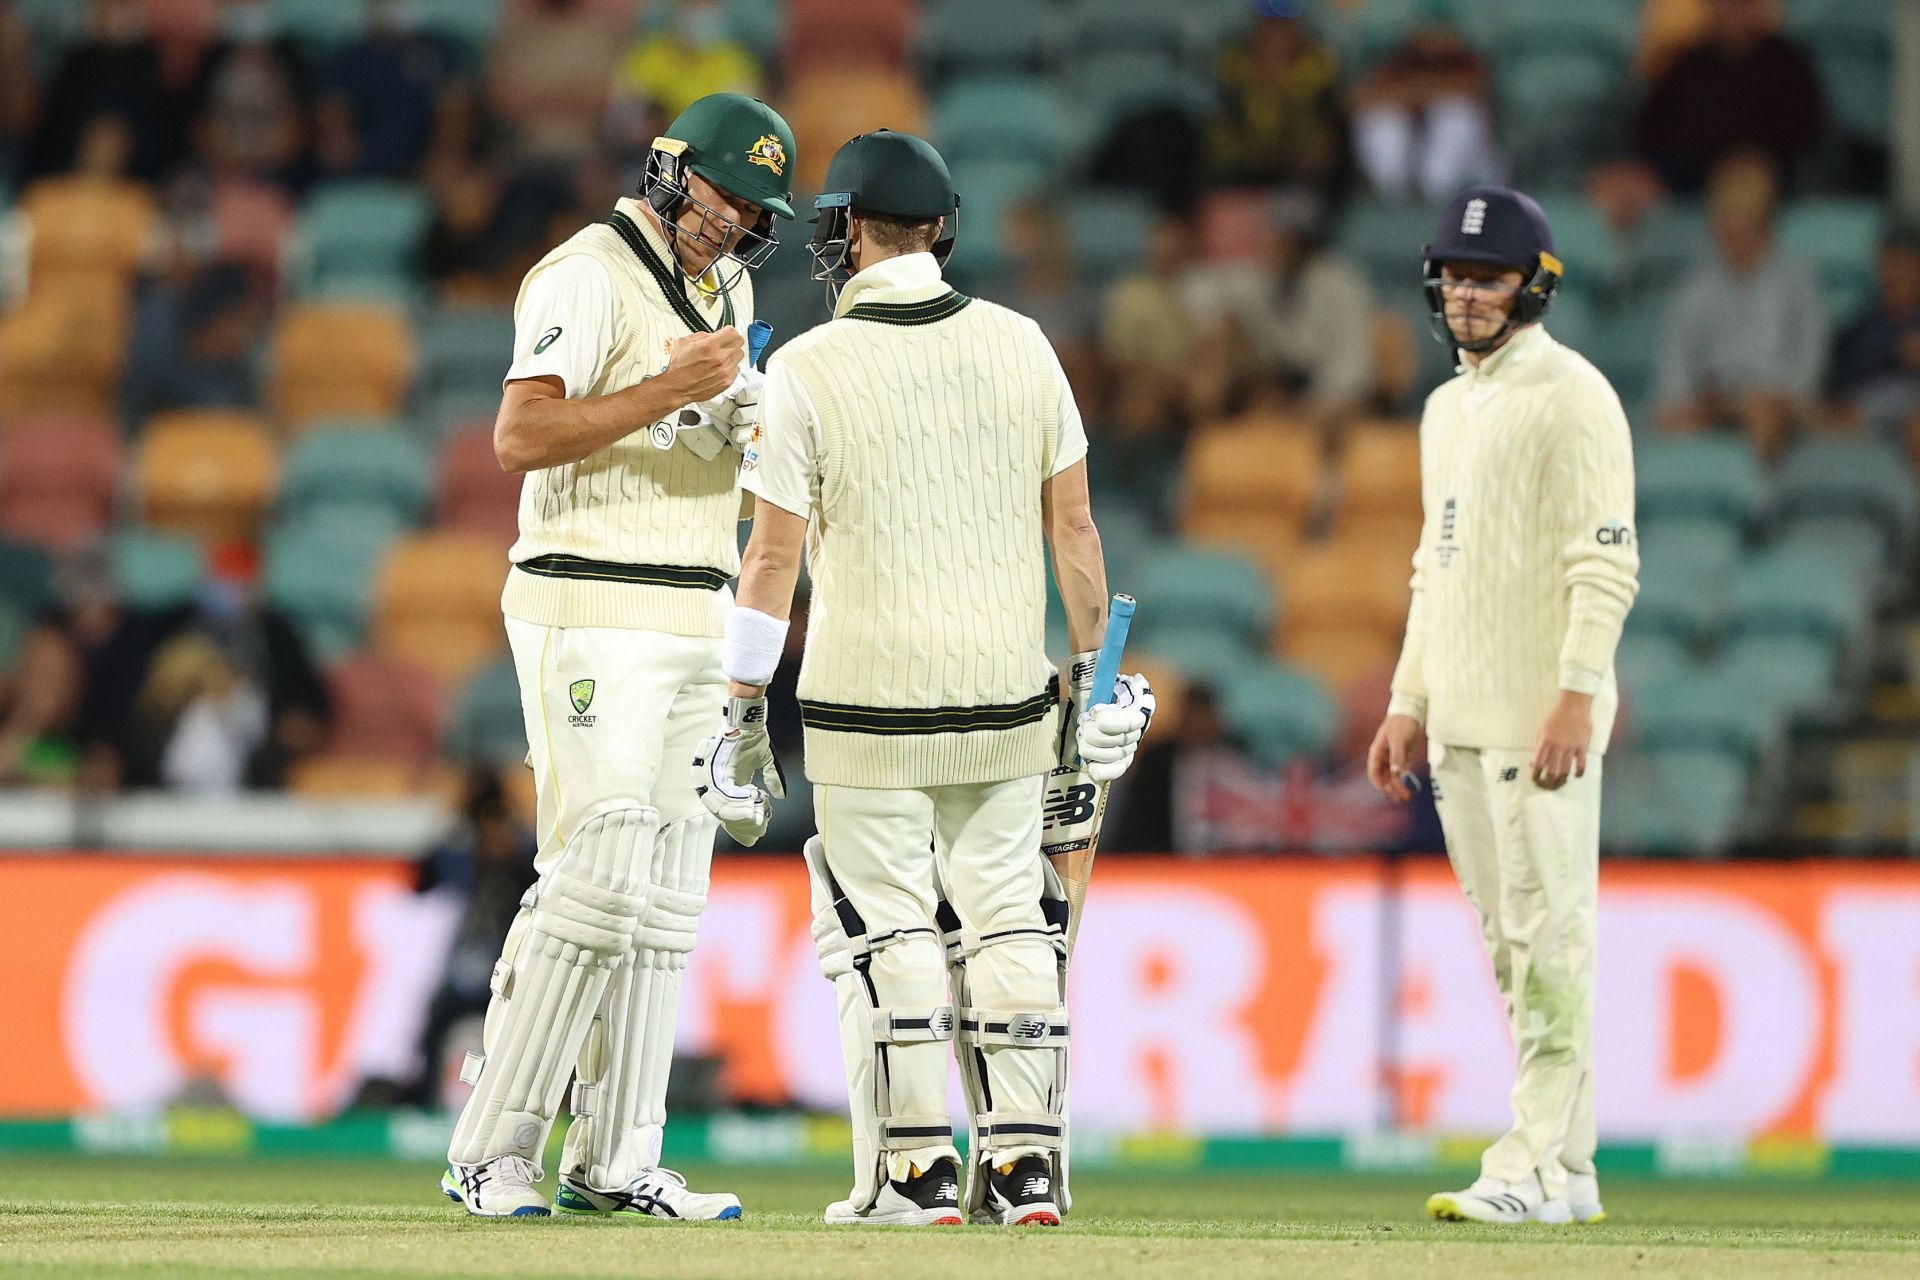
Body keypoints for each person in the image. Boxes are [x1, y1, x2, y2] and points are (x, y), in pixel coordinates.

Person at [691, 131, 1153, 1227]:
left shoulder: (804, 367)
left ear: (846, 229)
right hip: (1004, 699)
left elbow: (770, 561)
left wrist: (743, 709)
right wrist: (1098, 679)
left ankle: (915, 1174)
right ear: (940, 227)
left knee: (887, 929)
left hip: (865, 708)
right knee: (1007, 923)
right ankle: (1026, 1168)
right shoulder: (1025, 344)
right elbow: (1076, 529)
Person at [438, 92, 796, 1221]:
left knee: (664, 895)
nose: (731, 218)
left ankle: (615, 1155)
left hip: (697, 601)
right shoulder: (584, 270)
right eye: (722, 189)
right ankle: (492, 1150)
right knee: (593, 879)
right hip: (587, 595)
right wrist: (669, 391)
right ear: (670, 168)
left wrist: (750, 432)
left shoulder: (732, 288)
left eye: (752, 205)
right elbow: (519, 436)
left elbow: (709, 450)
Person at [1366, 187, 1639, 1225]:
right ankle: (1570, 1170)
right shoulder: (1447, 406)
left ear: (1536, 285)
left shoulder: (1575, 396)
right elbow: (1437, 569)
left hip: (1541, 719)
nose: (1469, 294)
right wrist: (1406, 703)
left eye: (1489, 277)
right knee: (1513, 947)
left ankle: (1523, 1165)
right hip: (1465, 726)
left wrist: (1575, 694)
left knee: (1551, 938)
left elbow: (1604, 565)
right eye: (1456, 274)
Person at [1652, 153, 1825, 459]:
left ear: (1766, 228)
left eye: (1745, 230)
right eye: (1727, 232)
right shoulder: (1693, 287)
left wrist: (1774, 399)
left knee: (1762, 416)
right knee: (1665, 425)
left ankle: (1761, 501)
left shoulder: (1797, 282)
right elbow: (1675, 378)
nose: (1735, 242)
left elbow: (1807, 367)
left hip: (1777, 405)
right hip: (1715, 405)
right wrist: (1696, 404)